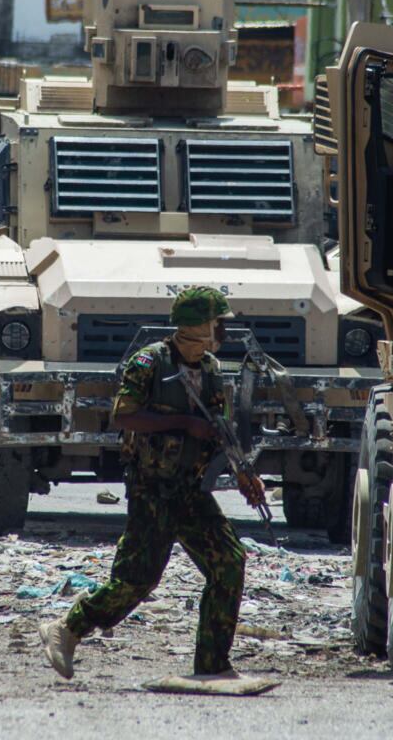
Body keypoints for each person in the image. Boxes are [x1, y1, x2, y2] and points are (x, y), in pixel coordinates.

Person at [39, 286, 265, 681]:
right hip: (153, 490)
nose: (223, 331)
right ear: (198, 326)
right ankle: (68, 628)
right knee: (136, 581)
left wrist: (245, 474)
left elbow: (222, 429)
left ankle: (213, 665)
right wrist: (182, 423)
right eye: (218, 323)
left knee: (229, 563)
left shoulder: (211, 369)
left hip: (191, 491)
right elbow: (123, 416)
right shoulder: (149, 362)